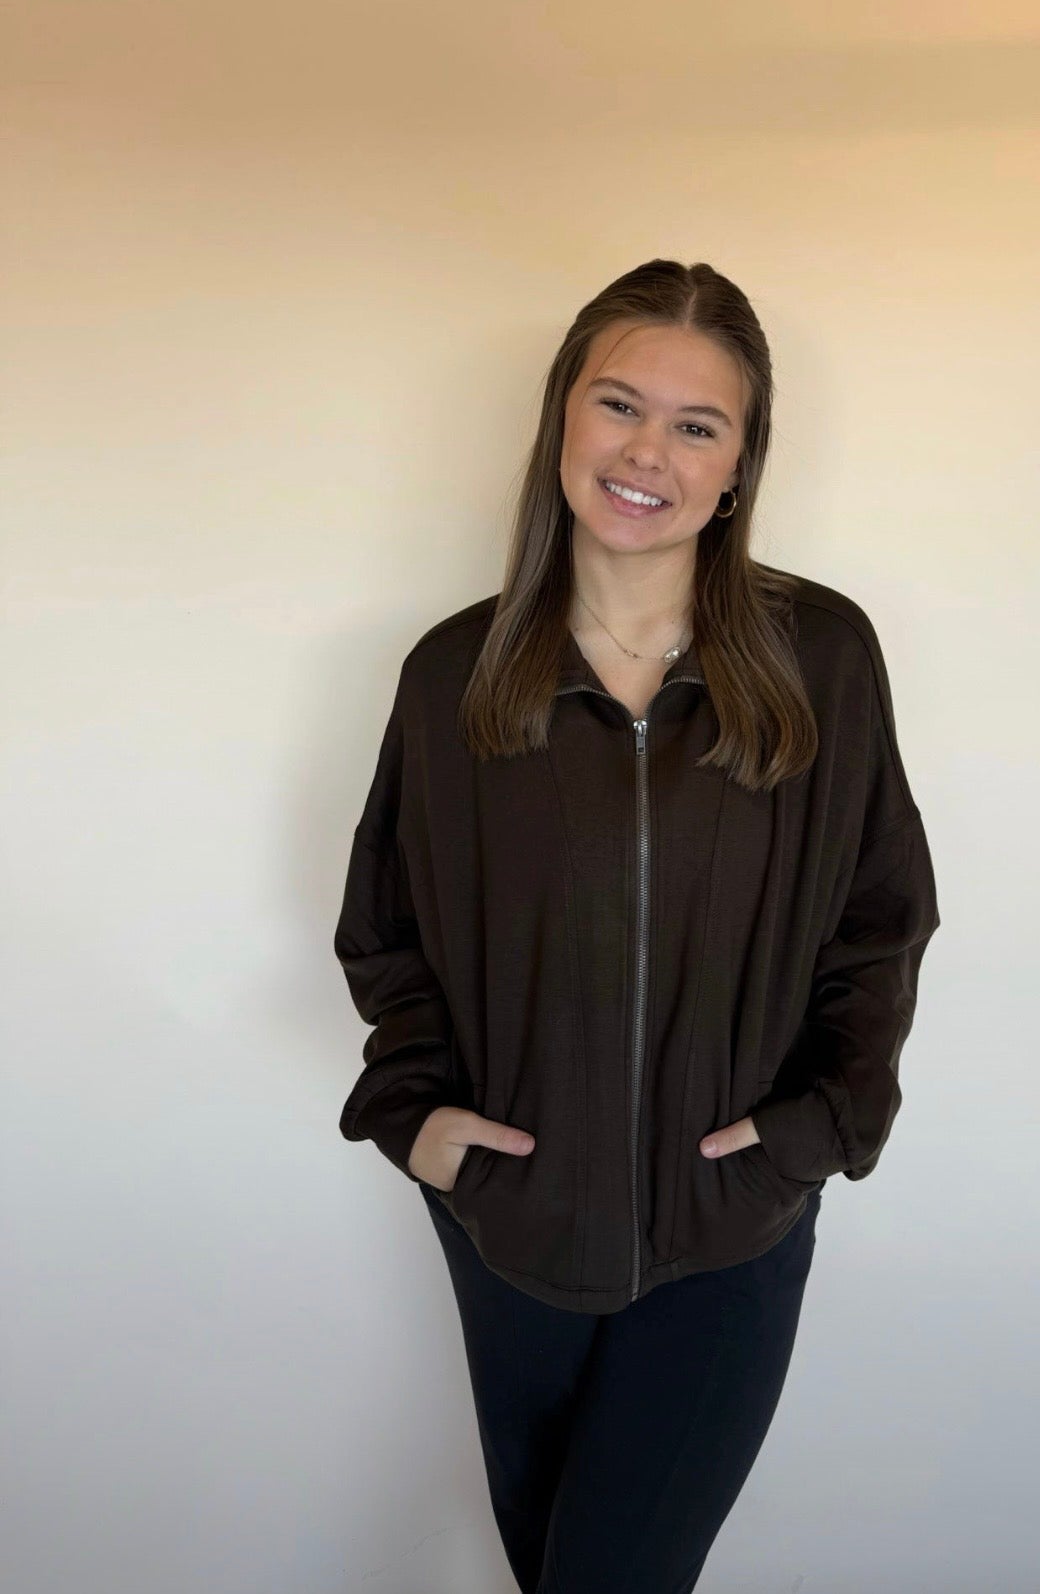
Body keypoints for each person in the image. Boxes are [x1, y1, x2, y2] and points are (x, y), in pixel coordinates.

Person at [333, 258, 941, 1593]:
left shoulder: (816, 656)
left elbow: (878, 922)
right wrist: (417, 1117)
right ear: (561, 416)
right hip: (512, 1227)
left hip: (728, 1228)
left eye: (694, 423)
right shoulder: (455, 675)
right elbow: (386, 932)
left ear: (737, 465)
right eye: (617, 403)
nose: (643, 451)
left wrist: (815, 1131)